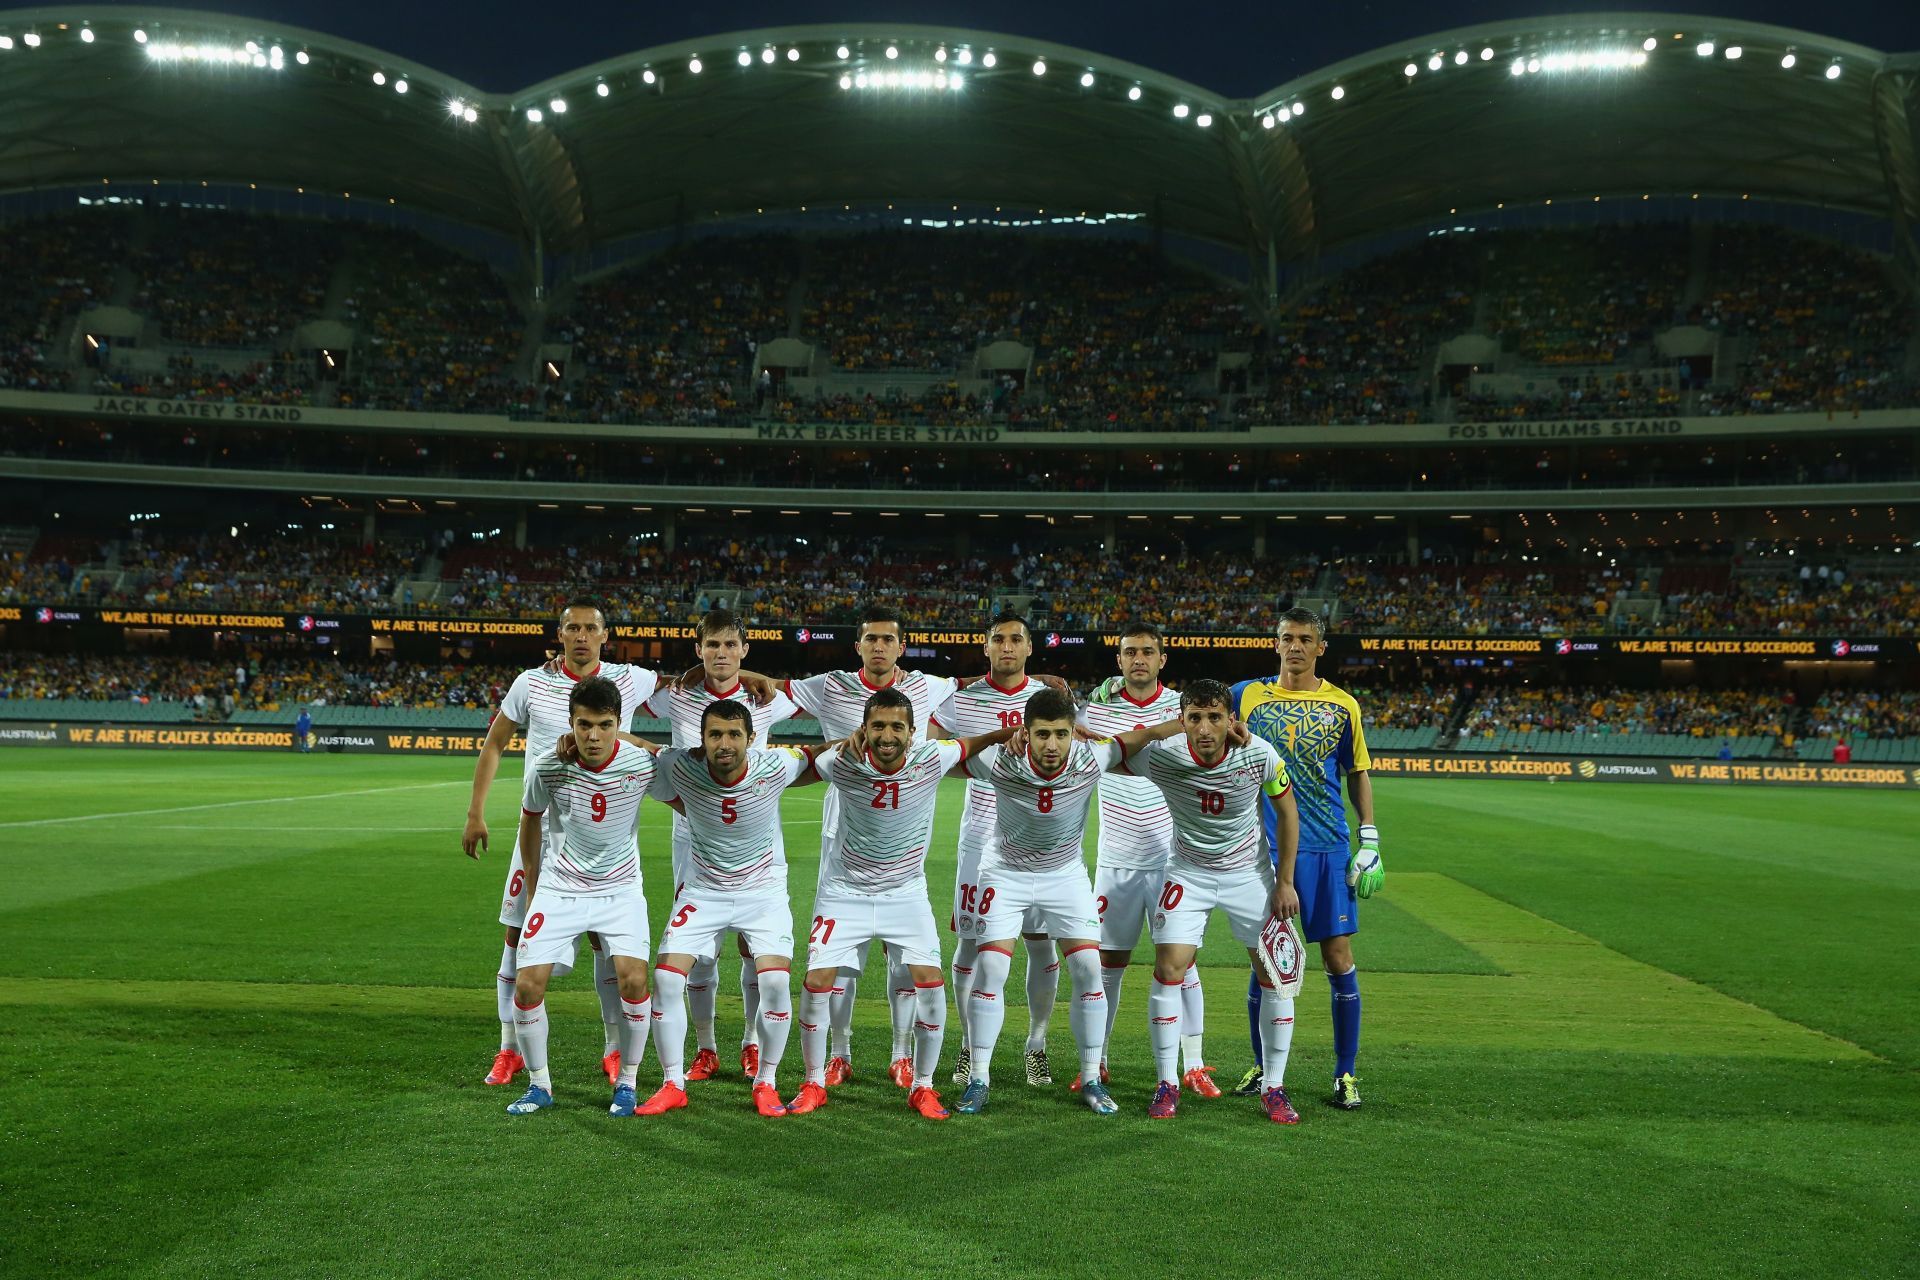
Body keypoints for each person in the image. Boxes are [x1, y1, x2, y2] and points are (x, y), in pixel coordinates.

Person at [953, 689, 1192, 1117]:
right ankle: (979, 1079)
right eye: (1041, 734)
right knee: (992, 966)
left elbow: (1144, 735)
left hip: (1064, 875)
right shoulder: (999, 761)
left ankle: (1091, 1077)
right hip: (1005, 873)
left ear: (1073, 733)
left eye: (1061, 734)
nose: (1051, 745)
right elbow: (950, 754)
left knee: (1086, 967)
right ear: (1026, 734)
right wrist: (1000, 734)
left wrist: (1190, 724)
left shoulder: (1090, 758)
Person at [461, 597, 662, 1090]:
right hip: (540, 832)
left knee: (607, 943)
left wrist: (754, 679)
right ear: (559, 634)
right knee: (516, 939)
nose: (580, 636)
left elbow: (693, 682)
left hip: (604, 835)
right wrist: (476, 812)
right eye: (571, 627)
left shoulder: (629, 679)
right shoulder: (532, 682)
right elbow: (495, 742)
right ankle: (509, 1048)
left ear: (604, 635)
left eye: (589, 628)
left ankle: (615, 1050)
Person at [788, 688, 1017, 1120]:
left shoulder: (932, 756)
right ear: (864, 729)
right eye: (878, 726)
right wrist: (839, 742)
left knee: (930, 981)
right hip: (845, 892)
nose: (887, 735)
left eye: (897, 726)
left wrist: (1012, 730)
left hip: (905, 893)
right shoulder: (840, 762)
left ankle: (923, 1086)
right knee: (817, 980)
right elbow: (802, 762)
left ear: (913, 732)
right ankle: (813, 1082)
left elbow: (971, 743)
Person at [773, 605, 958, 1086]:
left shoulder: (928, 685)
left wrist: (1045, 676)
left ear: (902, 645)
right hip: (843, 833)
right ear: (858, 645)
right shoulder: (830, 684)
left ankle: (901, 1053)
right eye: (870, 639)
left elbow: (983, 683)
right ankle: (840, 1051)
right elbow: (770, 688)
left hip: (901, 830)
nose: (879, 646)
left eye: (887, 640)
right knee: (839, 959)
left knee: (903, 959)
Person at [1118, 679, 1302, 1123]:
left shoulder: (1259, 754)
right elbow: (1116, 747)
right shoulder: (1164, 756)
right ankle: (1167, 1081)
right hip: (1188, 873)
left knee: (1273, 976)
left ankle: (1274, 1087)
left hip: (1250, 876)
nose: (1205, 728)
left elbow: (1288, 812)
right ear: (1182, 720)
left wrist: (1285, 882)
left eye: (1215, 717)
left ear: (1230, 720)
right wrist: (1165, 730)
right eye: (1194, 718)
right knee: (1169, 968)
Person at [636, 701, 828, 1118]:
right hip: (703, 890)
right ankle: (673, 1083)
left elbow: (820, 754)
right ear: (701, 740)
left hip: (763, 893)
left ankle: (767, 1082)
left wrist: (865, 738)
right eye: (715, 735)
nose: (724, 744)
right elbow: (637, 746)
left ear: (751, 738)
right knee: (667, 980)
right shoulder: (679, 765)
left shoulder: (775, 764)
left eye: (734, 734)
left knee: (775, 983)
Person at [639, 609, 799, 1085]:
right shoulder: (677, 696)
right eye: (713, 646)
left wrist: (754, 677)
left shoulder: (769, 699)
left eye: (731, 646)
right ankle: (706, 1048)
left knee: (756, 948)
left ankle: (751, 1042)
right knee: (699, 952)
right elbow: (630, 693)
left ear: (744, 650)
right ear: (699, 649)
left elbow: (812, 696)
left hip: (757, 839)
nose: (722, 654)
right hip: (693, 841)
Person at [1229, 608, 1380, 1112]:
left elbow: (1357, 771)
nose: (1295, 646)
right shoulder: (1244, 696)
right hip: (1262, 852)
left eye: (1305, 639)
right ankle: (1262, 1067)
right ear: (1276, 644)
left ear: (1321, 647)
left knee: (1337, 957)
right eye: (1287, 638)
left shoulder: (1343, 705)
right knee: (1266, 960)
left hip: (1327, 847)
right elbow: (1191, 713)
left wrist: (1370, 837)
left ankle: (1346, 1072)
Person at [504, 676, 660, 1117]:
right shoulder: (547, 765)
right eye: (584, 724)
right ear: (571, 722)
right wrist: (534, 886)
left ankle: (627, 1082)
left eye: (604, 725)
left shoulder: (641, 764)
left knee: (633, 979)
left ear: (618, 724)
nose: (593, 736)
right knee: (528, 984)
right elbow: (530, 820)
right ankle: (539, 1086)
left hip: (620, 889)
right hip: (561, 888)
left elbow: (686, 789)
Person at [1079, 621, 1211, 1093]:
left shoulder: (1184, 711)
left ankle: (1193, 1064)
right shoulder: (1096, 709)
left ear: (1162, 659)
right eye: (1130, 651)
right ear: (1118, 661)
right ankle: (1099, 1061)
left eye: (1147, 651)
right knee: (1106, 964)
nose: (1139, 659)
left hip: (1172, 860)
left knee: (1182, 965)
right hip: (1115, 859)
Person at [928, 613, 1058, 1090]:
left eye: (1016, 640)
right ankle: (968, 1045)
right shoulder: (961, 701)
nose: (1007, 647)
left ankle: (1036, 1045)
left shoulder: (1048, 701)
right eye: (998, 640)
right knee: (969, 942)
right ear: (985, 648)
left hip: (1041, 840)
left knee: (1041, 944)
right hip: (980, 839)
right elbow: (934, 753)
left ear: (1030, 649)